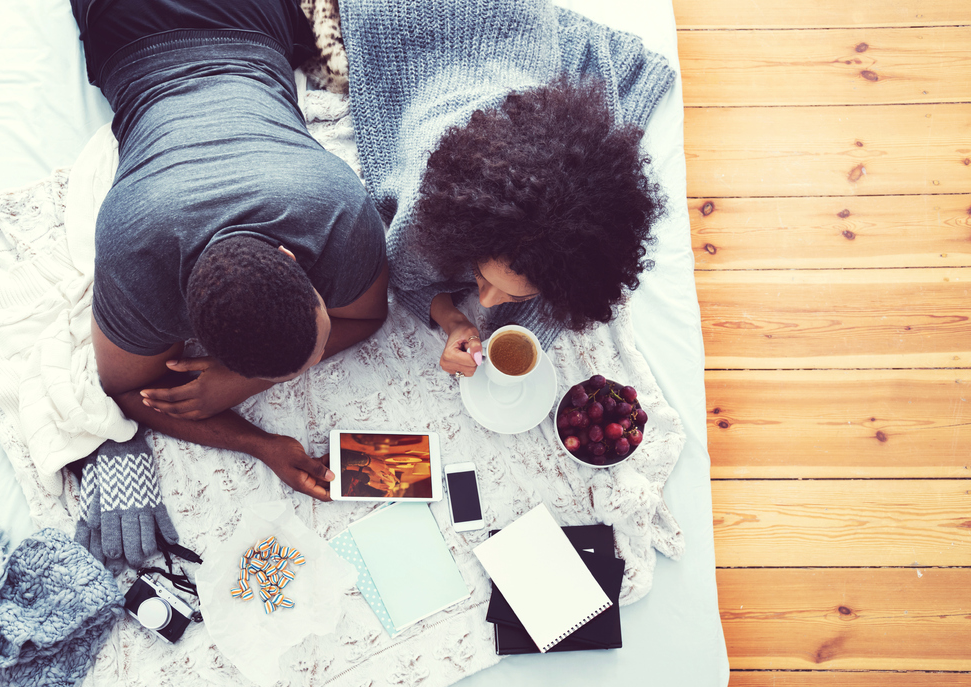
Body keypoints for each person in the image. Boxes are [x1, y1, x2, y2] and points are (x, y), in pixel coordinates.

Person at [70, 0, 390, 500]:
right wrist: (257, 442)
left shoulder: (338, 208)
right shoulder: (135, 254)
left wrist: (245, 387)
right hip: (179, 22)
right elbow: (126, 390)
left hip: (209, 22)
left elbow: (368, 319)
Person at [337, 0, 675, 377]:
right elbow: (405, 275)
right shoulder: (426, 207)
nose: (484, 301)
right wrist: (450, 317)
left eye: (516, 294)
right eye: (482, 277)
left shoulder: (570, 248)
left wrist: (457, 323)